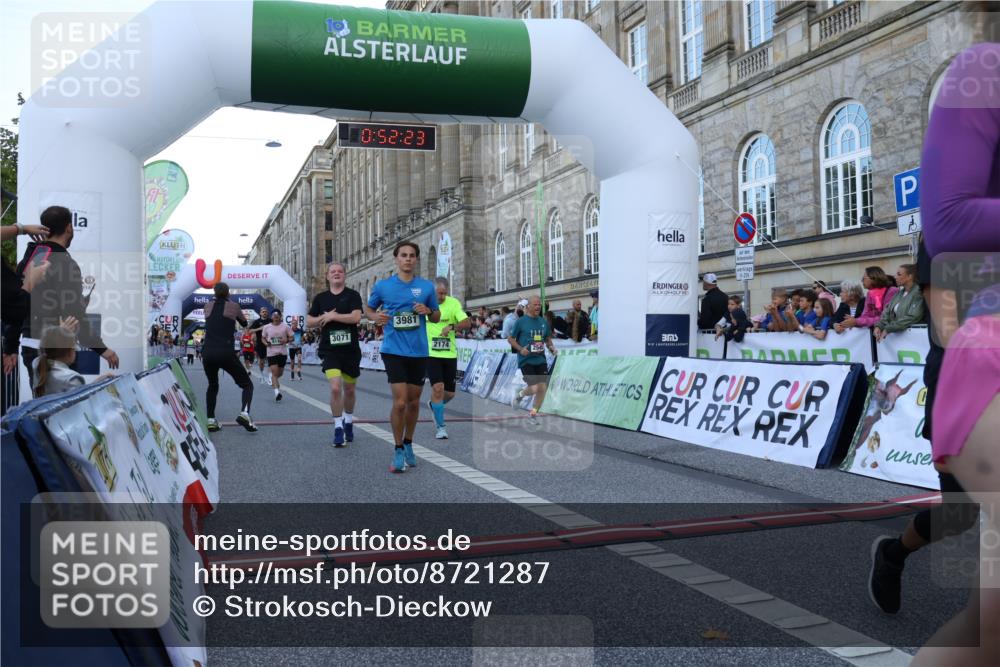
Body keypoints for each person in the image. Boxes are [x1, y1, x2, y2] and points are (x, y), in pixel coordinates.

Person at [908, 26, 1000, 665]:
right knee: (958, 516)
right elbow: (945, 230)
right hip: (977, 364)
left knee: (988, 627)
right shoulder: (985, 69)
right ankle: (896, 551)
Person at [15, 206, 119, 384]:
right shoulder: (65, 263)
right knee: (60, 406)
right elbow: (74, 315)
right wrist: (103, 350)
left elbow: (17, 303)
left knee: (44, 403)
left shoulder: (31, 258)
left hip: (30, 345)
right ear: (69, 227)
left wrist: (9, 347)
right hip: (55, 348)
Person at [365, 242, 440, 473]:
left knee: (414, 402)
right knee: (400, 402)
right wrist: (376, 317)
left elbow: (436, 316)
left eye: (412, 256)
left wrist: (428, 312)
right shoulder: (383, 286)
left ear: (416, 260)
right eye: (403, 255)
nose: (408, 259)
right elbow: (368, 309)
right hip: (393, 350)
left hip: (418, 351)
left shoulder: (426, 287)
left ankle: (408, 443)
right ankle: (397, 448)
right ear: (396, 259)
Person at [306, 262, 363, 447]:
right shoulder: (321, 298)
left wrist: (333, 316)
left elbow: (355, 317)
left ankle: (348, 420)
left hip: (350, 350)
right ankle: (338, 427)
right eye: (333, 271)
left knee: (350, 389)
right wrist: (323, 317)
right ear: (328, 276)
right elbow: (309, 321)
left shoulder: (352, 295)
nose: (337, 273)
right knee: (336, 388)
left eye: (340, 271)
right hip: (330, 350)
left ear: (344, 275)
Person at [201, 282, 256, 432]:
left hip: (208, 352)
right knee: (247, 385)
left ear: (214, 292)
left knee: (212, 385)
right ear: (228, 293)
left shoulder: (207, 306)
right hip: (225, 351)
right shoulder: (234, 306)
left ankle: (211, 420)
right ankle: (244, 413)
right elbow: (244, 323)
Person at [425, 277, 470, 440]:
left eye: (444, 293)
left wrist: (452, 326)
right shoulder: (425, 304)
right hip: (431, 353)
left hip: (449, 353)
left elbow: (466, 323)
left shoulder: (453, 303)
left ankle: (434, 405)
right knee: (438, 388)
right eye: (439, 293)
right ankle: (441, 427)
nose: (441, 296)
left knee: (449, 394)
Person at [508, 295, 556, 424]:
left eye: (539, 304)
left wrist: (552, 348)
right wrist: (520, 349)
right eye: (535, 304)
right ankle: (519, 395)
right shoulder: (521, 322)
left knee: (543, 388)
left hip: (540, 359)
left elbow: (547, 339)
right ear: (528, 306)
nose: (538, 306)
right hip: (526, 360)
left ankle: (533, 414)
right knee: (535, 387)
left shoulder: (543, 322)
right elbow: (510, 339)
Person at [874, 264, 925, 342]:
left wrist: (889, 328)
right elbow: (887, 312)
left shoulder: (919, 292)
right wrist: (879, 326)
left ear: (910, 276)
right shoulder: (899, 293)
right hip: (899, 340)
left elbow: (913, 316)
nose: (895, 277)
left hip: (914, 339)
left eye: (899, 274)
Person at [261, 309, 294, 402]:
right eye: (274, 316)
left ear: (280, 316)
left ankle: (272, 378)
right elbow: (263, 338)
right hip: (271, 353)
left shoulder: (285, 327)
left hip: (282, 353)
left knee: (280, 373)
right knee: (275, 372)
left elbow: (292, 337)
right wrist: (266, 343)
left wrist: (286, 340)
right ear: (271, 317)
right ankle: (277, 393)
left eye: (277, 316)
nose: (275, 318)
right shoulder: (266, 327)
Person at [249, 307, 270, 384]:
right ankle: (262, 375)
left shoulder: (270, 321)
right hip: (260, 343)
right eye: (263, 312)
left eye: (266, 311)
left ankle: (270, 376)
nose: (265, 313)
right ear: (260, 313)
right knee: (261, 361)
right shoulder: (257, 322)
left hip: (270, 343)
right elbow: (250, 331)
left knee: (271, 360)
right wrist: (259, 329)